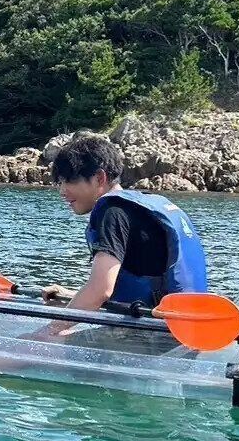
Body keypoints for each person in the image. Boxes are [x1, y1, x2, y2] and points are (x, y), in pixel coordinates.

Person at [41, 133, 208, 334]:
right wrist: (70, 296)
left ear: (99, 178)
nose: (62, 191)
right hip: (181, 329)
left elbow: (100, 291)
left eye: (68, 181)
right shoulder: (141, 206)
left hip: (151, 336)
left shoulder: (112, 214)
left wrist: (48, 331)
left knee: (32, 345)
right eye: (59, 183)